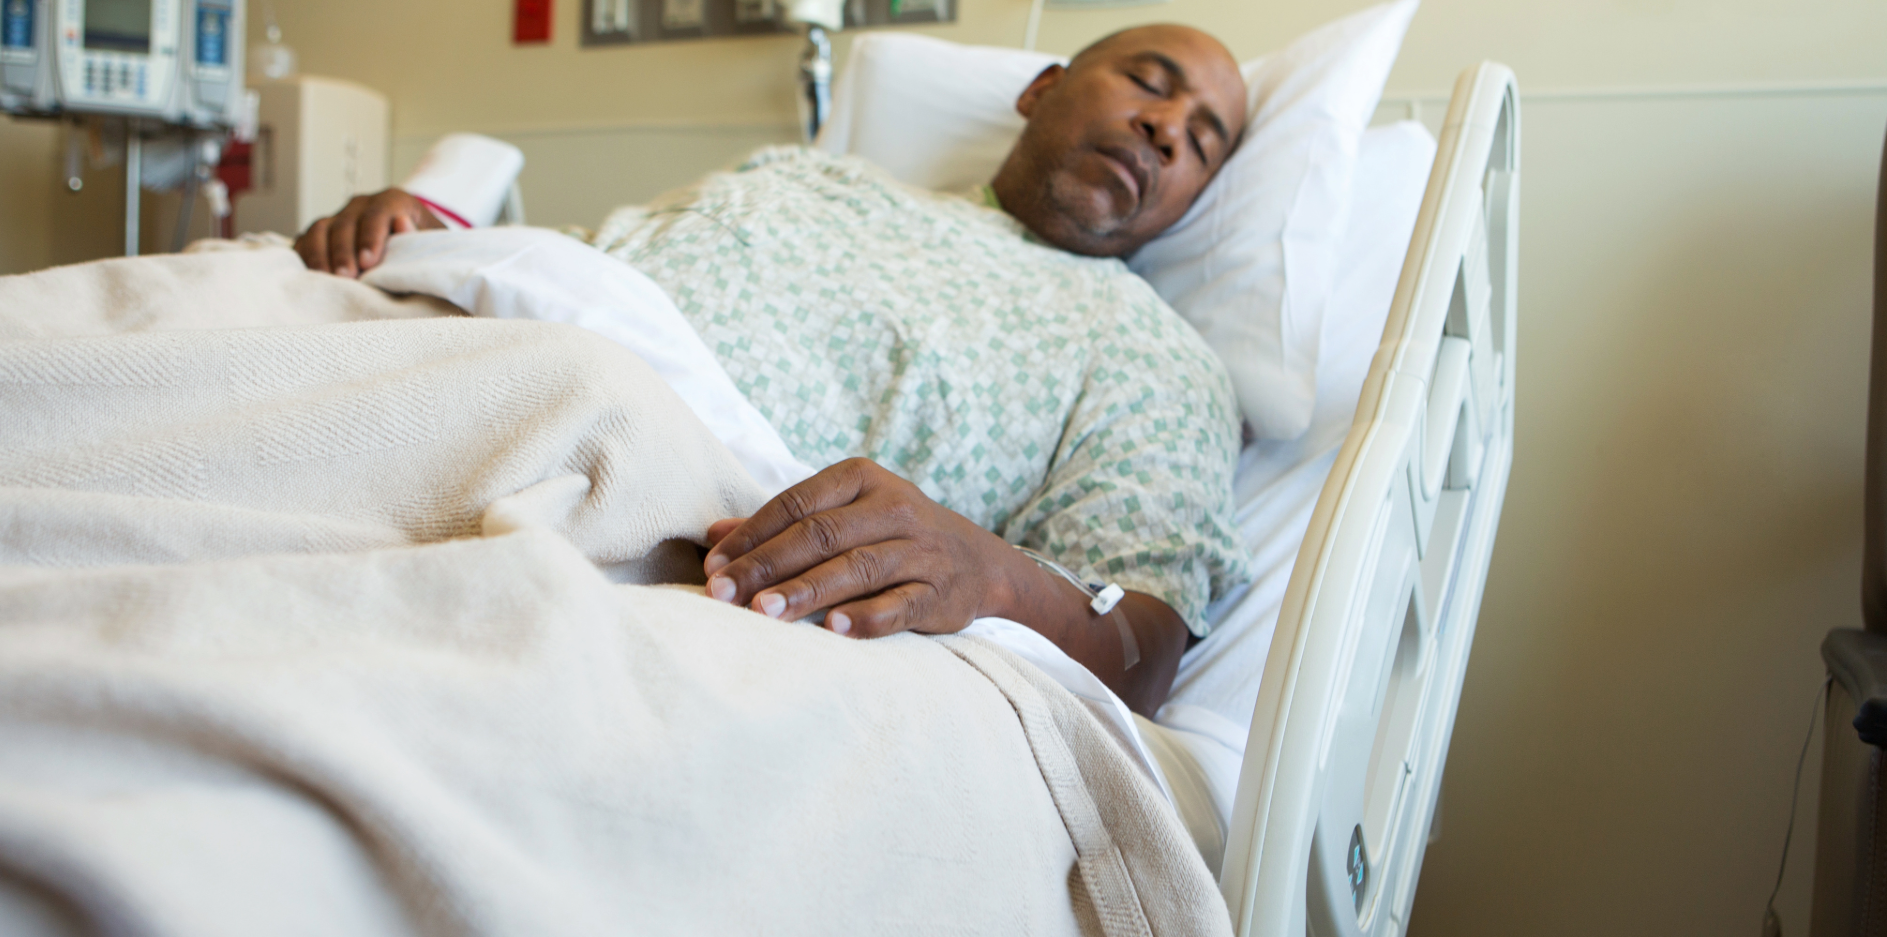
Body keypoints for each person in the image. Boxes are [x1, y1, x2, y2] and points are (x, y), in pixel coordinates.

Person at [296, 24, 1250, 719]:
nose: (1169, 129)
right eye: (1149, 81)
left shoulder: (1151, 359)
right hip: (407, 348)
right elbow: (579, 269)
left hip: (651, 506)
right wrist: (425, 236)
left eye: (1203, 141)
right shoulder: (809, 178)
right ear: (1042, 88)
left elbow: (1140, 649)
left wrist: (987, 575)